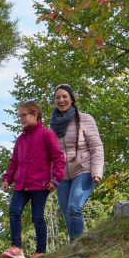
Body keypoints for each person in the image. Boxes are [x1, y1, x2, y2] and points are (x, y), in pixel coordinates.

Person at [0, 102, 66, 258]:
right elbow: (14, 162)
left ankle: (40, 252)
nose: (21, 119)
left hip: (40, 184)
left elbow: (58, 158)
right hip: (21, 184)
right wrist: (7, 178)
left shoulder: (46, 134)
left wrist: (56, 179)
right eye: (19, 116)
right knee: (14, 212)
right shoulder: (21, 139)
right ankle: (16, 248)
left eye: (24, 115)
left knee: (37, 217)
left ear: (35, 114)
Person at [51, 84, 104, 241]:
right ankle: (74, 245)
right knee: (67, 213)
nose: (61, 100)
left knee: (74, 208)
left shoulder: (85, 119)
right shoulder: (52, 125)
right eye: (57, 97)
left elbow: (96, 147)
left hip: (84, 170)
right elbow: (51, 155)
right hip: (62, 176)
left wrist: (96, 172)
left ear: (72, 99)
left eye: (64, 96)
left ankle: (79, 245)